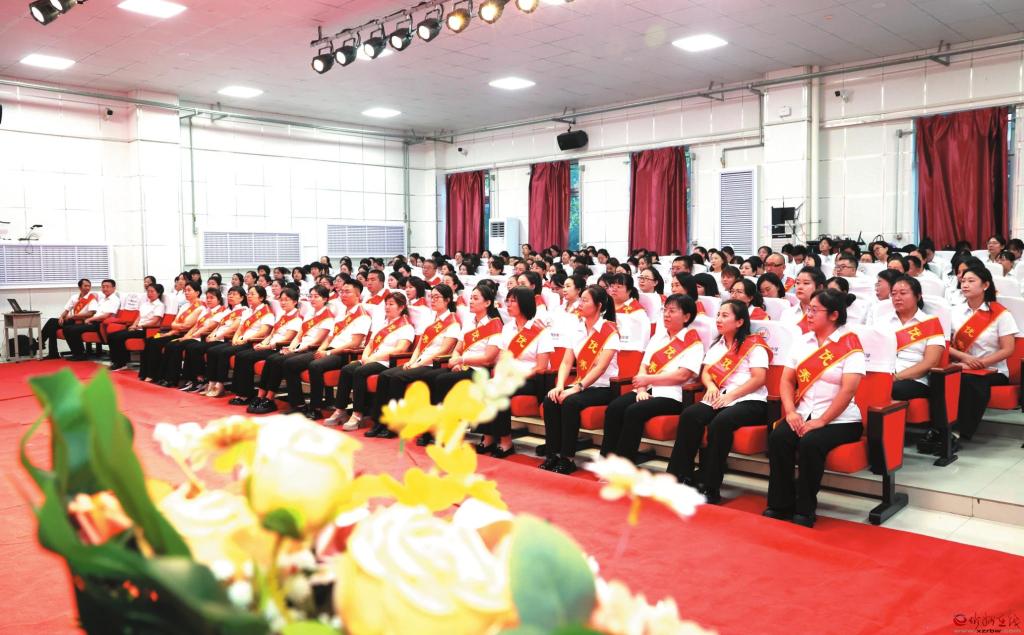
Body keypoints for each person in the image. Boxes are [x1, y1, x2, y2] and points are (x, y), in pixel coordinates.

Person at [765, 289, 865, 528]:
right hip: (803, 413)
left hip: (841, 420)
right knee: (779, 438)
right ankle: (780, 503)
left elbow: (848, 390)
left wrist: (822, 421)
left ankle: (805, 508)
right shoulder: (802, 342)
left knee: (810, 443)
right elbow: (787, 380)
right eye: (808, 309)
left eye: (814, 310)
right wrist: (791, 412)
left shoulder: (850, 345)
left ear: (833, 315)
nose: (808, 314)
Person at [669, 299, 770, 503]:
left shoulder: (754, 345)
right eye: (718, 315)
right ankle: (680, 477)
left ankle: (710, 486)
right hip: (720, 396)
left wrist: (731, 396)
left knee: (720, 423)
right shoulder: (718, 344)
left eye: (725, 316)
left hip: (749, 400)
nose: (719, 320)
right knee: (690, 415)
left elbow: (759, 378)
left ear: (739, 321)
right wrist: (711, 386)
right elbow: (706, 373)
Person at [601, 294, 702, 462]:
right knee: (614, 407)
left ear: (686, 317)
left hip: (672, 395)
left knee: (634, 411)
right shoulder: (658, 338)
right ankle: (606, 459)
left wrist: (647, 380)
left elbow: (682, 375)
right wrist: (641, 389)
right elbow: (644, 367)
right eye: (665, 310)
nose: (666, 314)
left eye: (672, 311)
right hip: (648, 389)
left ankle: (624, 463)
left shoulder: (693, 343)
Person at [541, 285, 620, 475]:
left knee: (570, 402)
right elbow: (566, 362)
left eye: (585, 300)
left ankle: (567, 459)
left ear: (599, 305)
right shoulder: (577, 328)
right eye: (580, 300)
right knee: (550, 399)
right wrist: (560, 386)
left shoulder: (609, 331)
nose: (580, 304)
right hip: (580, 384)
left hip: (603, 387)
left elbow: (601, 368)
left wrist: (576, 388)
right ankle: (552, 454)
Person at [419, 284, 505, 445]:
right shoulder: (469, 323)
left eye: (475, 298)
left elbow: (488, 358)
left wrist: (462, 361)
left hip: (480, 370)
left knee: (442, 380)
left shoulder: (494, 325)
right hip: (462, 366)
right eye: (470, 298)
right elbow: (458, 349)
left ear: (487, 303)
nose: (471, 301)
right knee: (429, 377)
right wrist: (456, 361)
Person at [369, 284, 461, 433]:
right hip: (418, 362)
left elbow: (443, 350)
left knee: (398, 378)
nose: (433, 300)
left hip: (433, 364)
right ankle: (380, 421)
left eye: (437, 297)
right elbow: (419, 346)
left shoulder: (453, 324)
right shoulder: (431, 320)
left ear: (447, 300)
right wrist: (411, 361)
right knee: (385, 375)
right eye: (432, 296)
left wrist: (418, 364)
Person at [474, 287, 554, 458]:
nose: (508, 305)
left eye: (513, 301)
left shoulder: (540, 330)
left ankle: (506, 442)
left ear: (524, 304)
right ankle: (488, 437)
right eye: (507, 301)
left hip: (533, 379)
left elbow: (541, 366)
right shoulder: (508, 328)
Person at [325, 294, 415, 433]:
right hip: (370, 358)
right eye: (386, 304)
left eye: (391, 304)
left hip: (387, 362)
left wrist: (374, 357)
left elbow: (400, 349)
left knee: (360, 371)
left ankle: (357, 414)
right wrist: (365, 356)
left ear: (401, 307)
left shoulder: (406, 327)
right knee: (347, 369)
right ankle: (340, 410)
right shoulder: (383, 324)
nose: (387, 307)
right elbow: (370, 344)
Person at [948, 266, 1018, 443]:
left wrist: (981, 363)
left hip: (993, 370)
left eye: (971, 281)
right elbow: (944, 345)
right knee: (942, 378)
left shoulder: (1001, 314)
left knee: (970, 381)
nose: (965, 285)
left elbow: (1008, 349)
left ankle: (959, 432)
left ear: (985, 285)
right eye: (963, 281)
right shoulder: (954, 311)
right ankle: (939, 428)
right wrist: (966, 359)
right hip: (961, 365)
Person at [247, 286, 335, 414]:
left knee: (283, 362)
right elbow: (299, 335)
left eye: (316, 296)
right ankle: (262, 396)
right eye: (311, 296)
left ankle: (276, 399)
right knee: (272, 359)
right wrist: (291, 347)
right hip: (300, 348)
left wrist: (296, 350)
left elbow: (317, 341)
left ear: (325, 299)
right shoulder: (310, 314)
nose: (312, 299)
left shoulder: (328, 317)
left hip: (311, 349)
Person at [296, 281, 372, 422]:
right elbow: (330, 337)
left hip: (345, 354)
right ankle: (302, 404)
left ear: (358, 295)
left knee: (315, 365)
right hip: (330, 350)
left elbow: (355, 343)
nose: (343, 295)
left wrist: (329, 353)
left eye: (347, 292)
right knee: (297, 361)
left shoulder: (363, 316)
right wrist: (321, 349)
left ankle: (315, 408)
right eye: (342, 292)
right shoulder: (342, 314)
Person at [227, 288, 302, 406]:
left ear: (295, 302)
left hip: (277, 348)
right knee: (241, 355)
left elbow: (288, 338)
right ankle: (240, 393)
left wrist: (266, 347)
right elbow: (271, 334)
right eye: (281, 300)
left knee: (247, 357)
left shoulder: (297, 318)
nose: (283, 303)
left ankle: (248, 395)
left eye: (286, 300)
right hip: (268, 345)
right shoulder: (282, 315)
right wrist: (263, 343)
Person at [203, 286, 274, 398]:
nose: (249, 296)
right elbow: (240, 328)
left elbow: (263, 331)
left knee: (225, 353)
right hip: (240, 340)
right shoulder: (248, 311)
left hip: (252, 342)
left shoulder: (267, 312)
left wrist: (245, 339)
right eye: (248, 294)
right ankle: (212, 382)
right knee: (212, 350)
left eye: (252, 294)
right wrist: (235, 338)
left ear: (261, 298)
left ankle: (220, 384)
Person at [180, 285, 247, 393]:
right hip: (216, 337)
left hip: (224, 339)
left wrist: (216, 336)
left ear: (242, 298)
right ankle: (194, 379)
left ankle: (203, 379)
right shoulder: (227, 310)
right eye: (229, 294)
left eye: (234, 294)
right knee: (191, 347)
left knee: (199, 348)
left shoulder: (244, 310)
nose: (230, 296)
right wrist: (212, 334)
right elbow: (218, 326)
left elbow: (233, 327)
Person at [156, 287, 228, 387]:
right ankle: (164, 376)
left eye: (212, 298)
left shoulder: (221, 311)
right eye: (207, 298)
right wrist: (186, 336)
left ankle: (174, 379)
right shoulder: (205, 310)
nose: (208, 300)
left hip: (201, 338)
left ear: (219, 300)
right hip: (192, 335)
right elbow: (195, 326)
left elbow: (209, 327)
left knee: (178, 346)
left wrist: (191, 336)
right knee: (169, 345)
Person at [138, 281, 203, 382]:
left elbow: (186, 326)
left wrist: (177, 326)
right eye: (185, 290)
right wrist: (176, 326)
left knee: (156, 343)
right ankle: (146, 372)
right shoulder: (184, 306)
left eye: (189, 290)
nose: (186, 292)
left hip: (184, 334)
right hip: (173, 331)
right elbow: (174, 323)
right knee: (150, 339)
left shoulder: (200, 307)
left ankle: (154, 375)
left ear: (197, 292)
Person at [107, 283, 166, 371]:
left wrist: (140, 326)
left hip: (147, 330)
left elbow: (155, 321)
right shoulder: (145, 304)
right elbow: (139, 317)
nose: (149, 293)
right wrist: (133, 325)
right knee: (111, 336)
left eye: (152, 291)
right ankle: (115, 360)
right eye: (148, 291)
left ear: (158, 293)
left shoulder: (159, 305)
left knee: (119, 337)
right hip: (138, 328)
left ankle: (121, 363)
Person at [62, 279, 120, 361]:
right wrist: (90, 319)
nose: (105, 289)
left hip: (100, 324)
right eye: (103, 287)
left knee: (72, 329)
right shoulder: (103, 299)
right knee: (67, 328)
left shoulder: (114, 300)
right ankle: (78, 353)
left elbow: (106, 315)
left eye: (107, 287)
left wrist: (90, 319)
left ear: (114, 288)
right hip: (93, 322)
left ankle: (80, 355)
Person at [607, 273, 650, 353]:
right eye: (612, 286)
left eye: (619, 287)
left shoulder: (637, 312)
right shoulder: (604, 306)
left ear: (629, 290)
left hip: (626, 352)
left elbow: (642, 340)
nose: (614, 289)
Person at [781, 267, 826, 333]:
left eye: (806, 283)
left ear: (819, 287)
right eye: (797, 283)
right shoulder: (787, 313)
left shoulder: (826, 315)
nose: (800, 287)